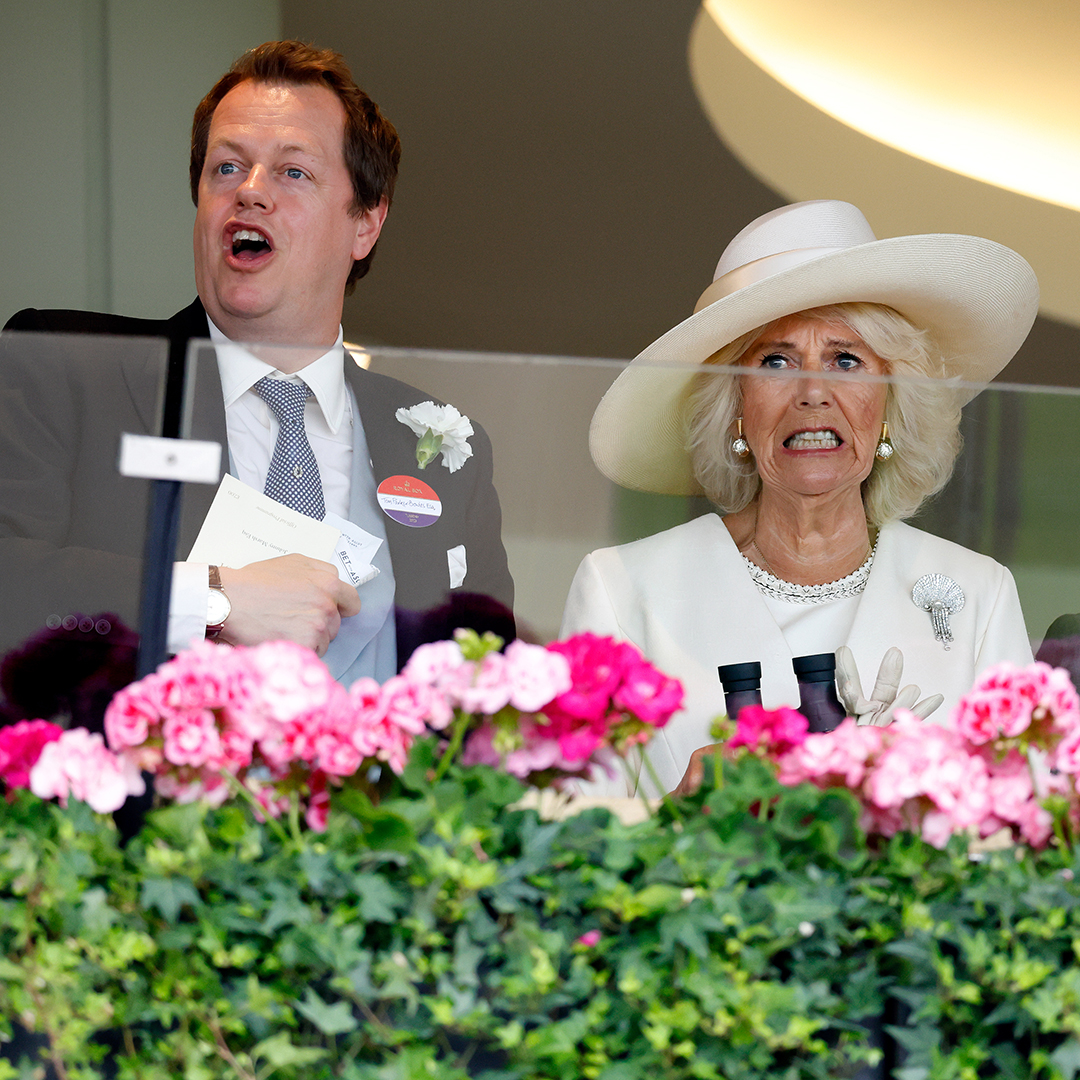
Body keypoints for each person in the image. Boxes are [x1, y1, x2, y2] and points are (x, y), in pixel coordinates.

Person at [2, 41, 513, 687]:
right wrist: (206, 601)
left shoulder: (439, 445)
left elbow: (493, 692)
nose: (249, 192)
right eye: (225, 168)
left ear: (366, 223)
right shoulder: (70, 368)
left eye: (292, 172)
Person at [561, 200, 1037, 794]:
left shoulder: (977, 593)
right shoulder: (622, 588)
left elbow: (1027, 828)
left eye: (846, 360)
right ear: (736, 408)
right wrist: (678, 814)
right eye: (776, 361)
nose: (813, 392)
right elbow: (569, 844)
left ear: (889, 406)